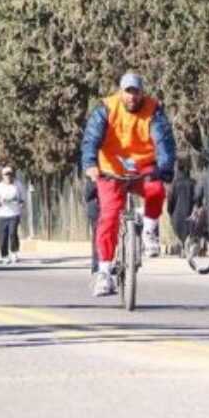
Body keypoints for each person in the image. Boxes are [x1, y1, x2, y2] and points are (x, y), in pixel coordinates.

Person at [81, 72, 175, 295]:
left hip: (143, 166)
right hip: (110, 168)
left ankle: (149, 231)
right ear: (120, 91)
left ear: (142, 92)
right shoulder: (106, 109)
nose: (132, 97)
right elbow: (91, 138)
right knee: (110, 216)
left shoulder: (154, 110)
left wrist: (165, 168)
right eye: (128, 91)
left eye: (136, 92)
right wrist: (90, 163)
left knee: (156, 189)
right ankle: (104, 272)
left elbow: (164, 142)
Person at [0, 166, 26, 264]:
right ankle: (4, 256)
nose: (8, 176)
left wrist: (21, 203)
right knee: (2, 237)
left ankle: (14, 252)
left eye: (10, 174)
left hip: (14, 213)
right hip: (2, 215)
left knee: (12, 233)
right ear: (2, 176)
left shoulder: (18, 185)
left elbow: (23, 196)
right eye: (6, 174)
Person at [167, 161, 197, 245]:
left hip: (177, 215)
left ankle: (183, 246)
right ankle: (186, 246)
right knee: (189, 232)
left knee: (179, 232)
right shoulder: (193, 183)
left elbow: (170, 200)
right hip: (190, 214)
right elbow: (197, 198)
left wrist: (170, 212)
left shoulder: (174, 184)